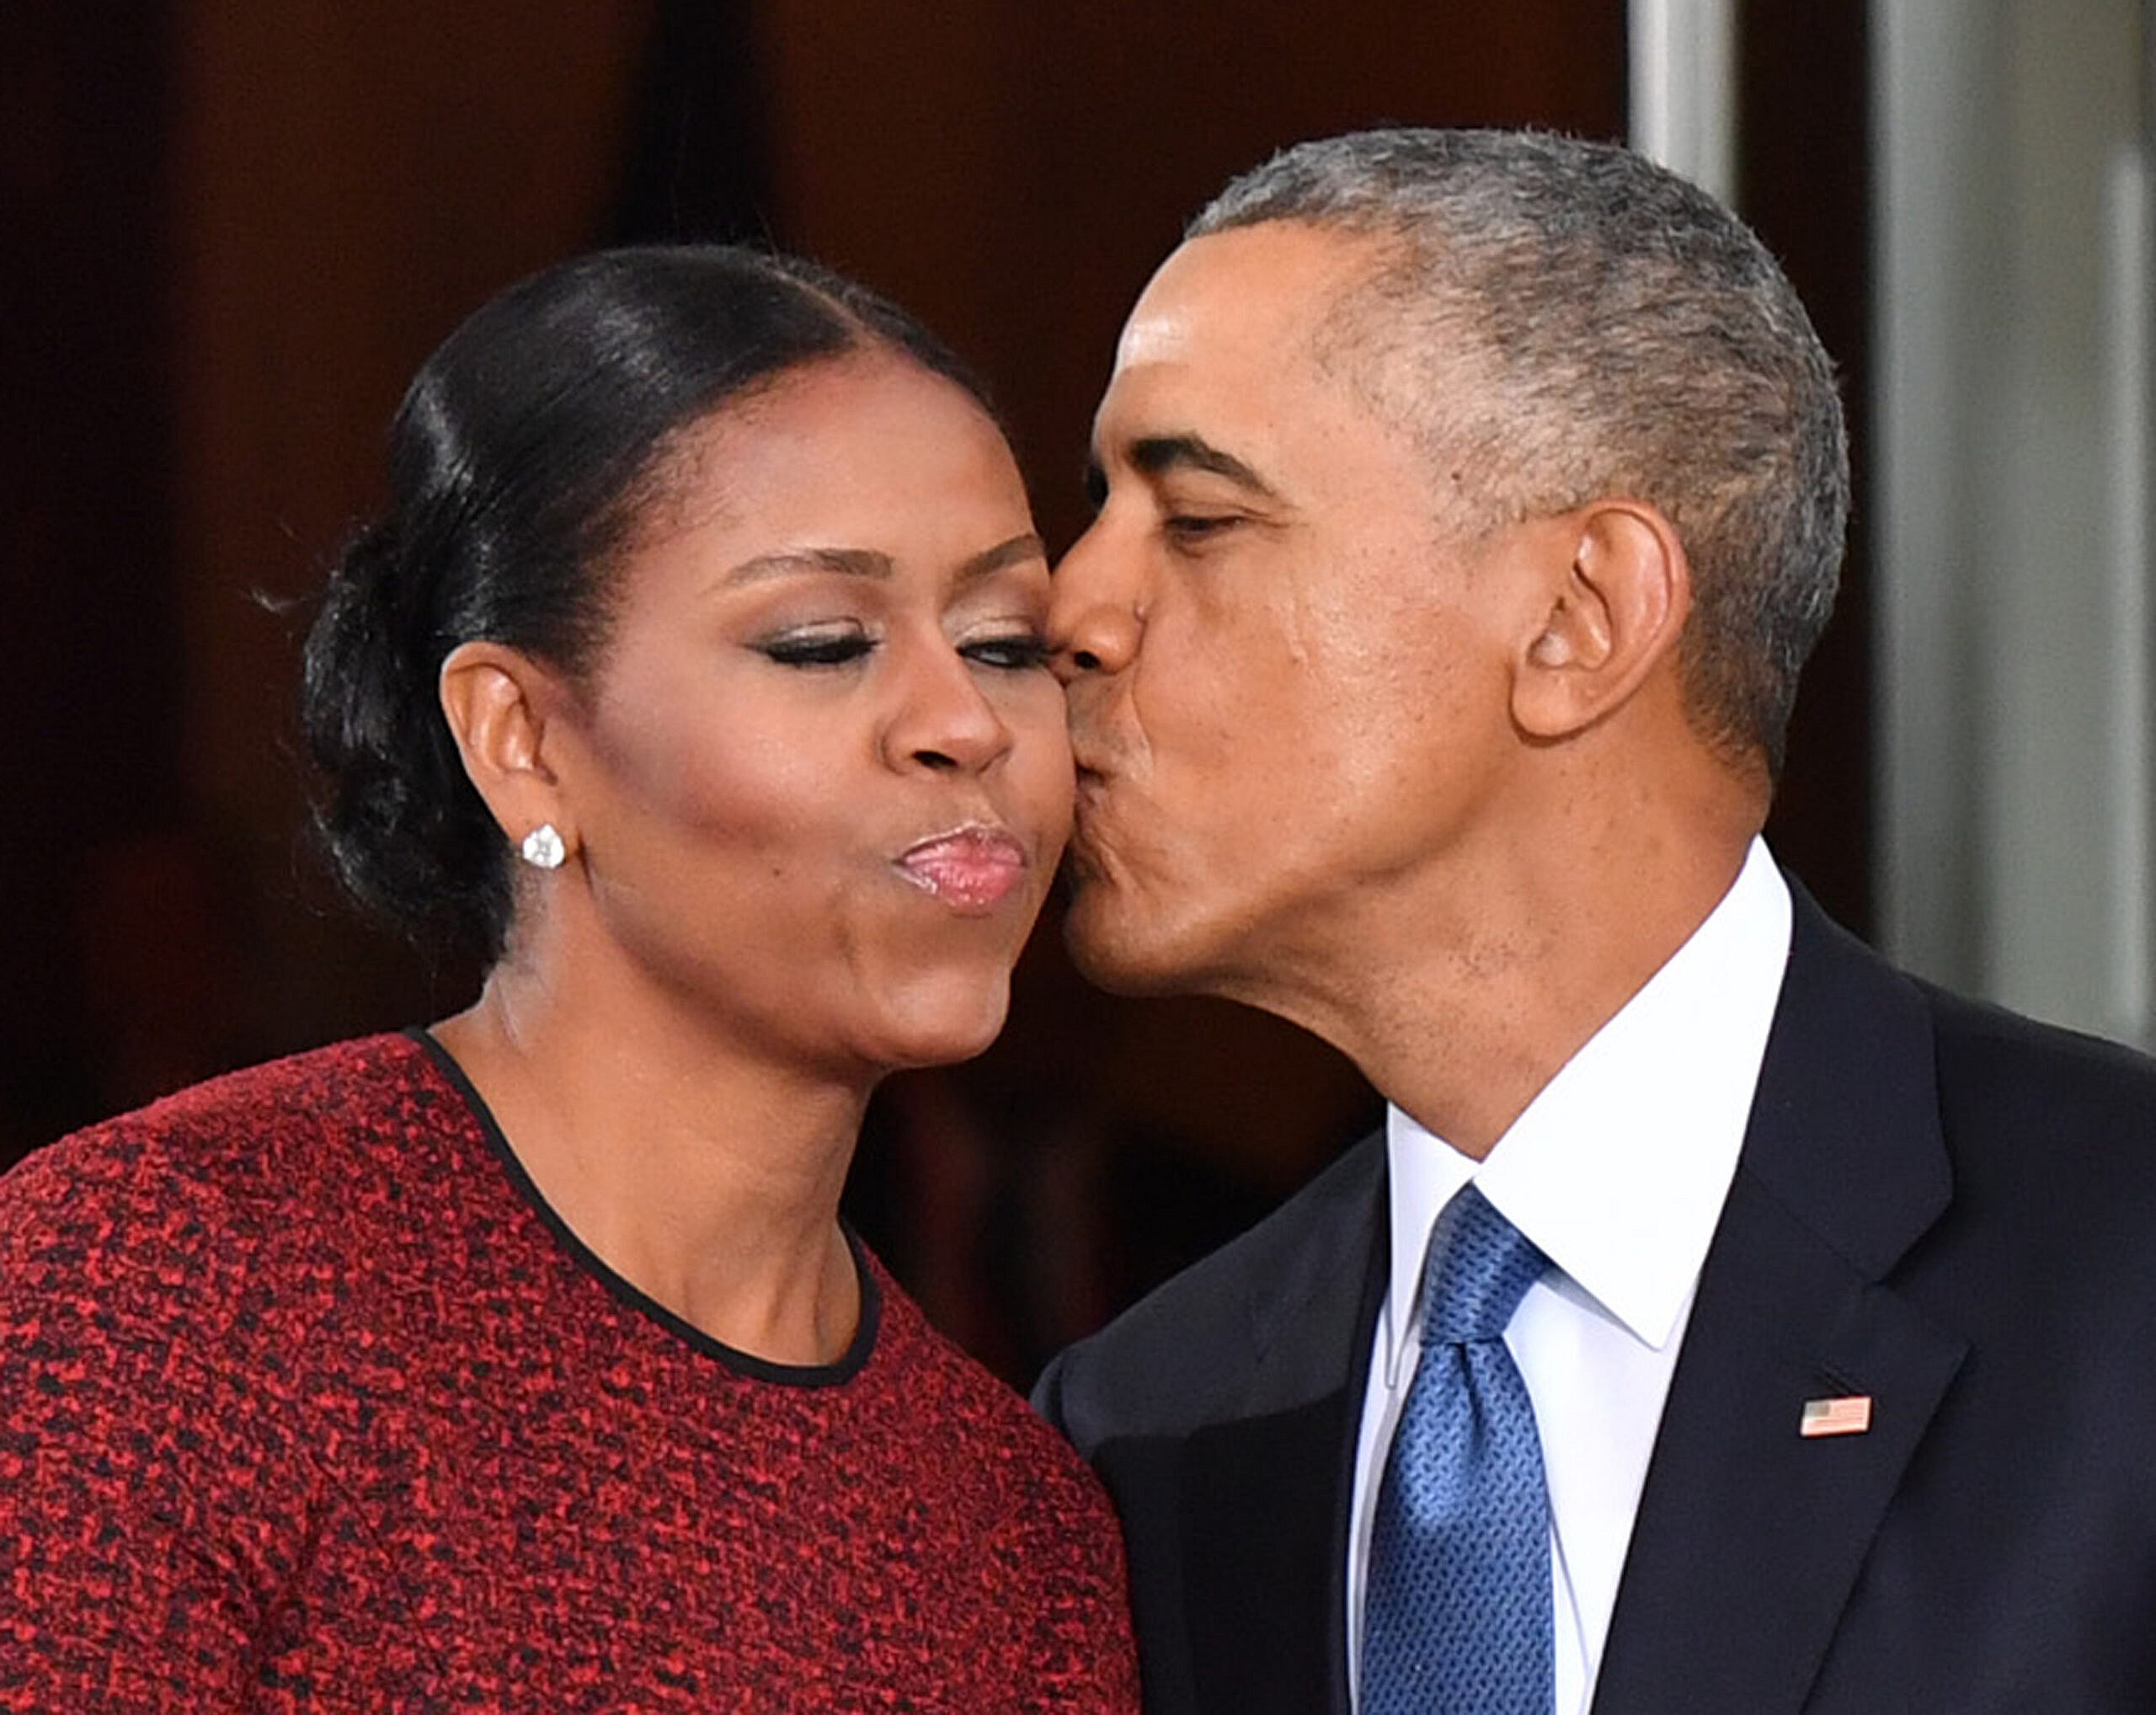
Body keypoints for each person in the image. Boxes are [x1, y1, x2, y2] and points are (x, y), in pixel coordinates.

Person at [1033, 126, 2156, 1714]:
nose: (1069, 608)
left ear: (1579, 619)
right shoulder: (1144, 1421)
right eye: (1098, 510)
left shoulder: (2118, 1270)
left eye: (1198, 519)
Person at [0, 245, 1139, 1710]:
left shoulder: (1028, 1528)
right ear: (523, 740)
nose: (964, 722)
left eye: (1005, 642)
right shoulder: (156, 1290)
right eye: (821, 643)